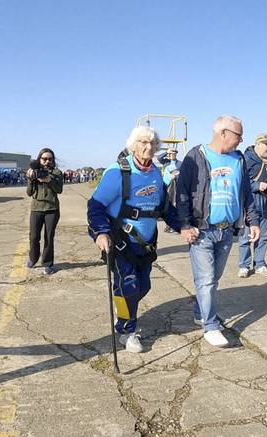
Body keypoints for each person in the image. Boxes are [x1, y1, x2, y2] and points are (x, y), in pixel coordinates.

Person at [87, 126, 180, 353]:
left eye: (152, 143)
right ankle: (127, 330)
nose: (148, 147)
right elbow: (95, 206)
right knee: (127, 286)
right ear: (132, 145)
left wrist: (184, 227)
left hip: (146, 245)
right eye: (142, 142)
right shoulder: (116, 172)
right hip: (121, 243)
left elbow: (165, 208)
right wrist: (101, 232)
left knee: (143, 286)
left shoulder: (157, 174)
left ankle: (126, 315)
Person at [176, 115, 260, 347]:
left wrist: (253, 221)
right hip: (202, 230)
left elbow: (246, 194)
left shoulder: (239, 159)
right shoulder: (196, 156)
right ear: (223, 133)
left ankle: (199, 313)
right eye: (238, 136)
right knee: (206, 279)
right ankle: (210, 326)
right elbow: (181, 193)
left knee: (214, 278)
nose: (241, 141)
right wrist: (184, 225)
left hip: (227, 231)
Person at [237, 133, 267, 278]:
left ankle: (260, 264)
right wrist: (256, 185)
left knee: (264, 235)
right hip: (250, 201)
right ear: (258, 143)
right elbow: (240, 181)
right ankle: (244, 265)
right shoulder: (246, 158)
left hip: (266, 201)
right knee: (246, 236)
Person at [26, 148, 63, 275]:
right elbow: (29, 193)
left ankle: (48, 263)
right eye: (44, 159)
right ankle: (33, 258)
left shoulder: (57, 173)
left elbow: (59, 190)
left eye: (50, 159)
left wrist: (50, 180)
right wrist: (31, 179)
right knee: (34, 236)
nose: (47, 161)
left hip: (52, 210)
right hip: (36, 209)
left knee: (49, 237)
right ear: (39, 159)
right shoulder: (34, 172)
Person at [162, 148, 182, 233]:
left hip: (175, 187)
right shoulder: (165, 162)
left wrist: (176, 176)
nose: (171, 155)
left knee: (174, 205)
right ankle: (167, 226)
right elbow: (159, 157)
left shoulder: (180, 164)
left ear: (176, 154)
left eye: (173, 153)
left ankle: (173, 226)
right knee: (167, 205)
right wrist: (166, 152)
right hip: (166, 186)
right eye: (170, 154)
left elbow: (183, 175)